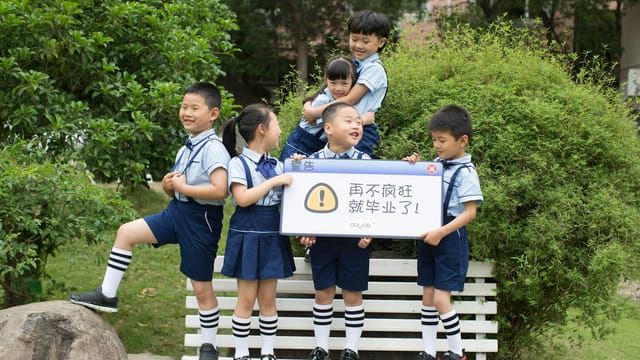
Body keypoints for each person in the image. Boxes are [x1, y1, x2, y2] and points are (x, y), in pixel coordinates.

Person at [69, 82, 229, 360]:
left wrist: (184, 188)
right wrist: (169, 185)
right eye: (183, 107)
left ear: (213, 114)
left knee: (201, 286)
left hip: (201, 219)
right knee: (126, 233)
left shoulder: (214, 148)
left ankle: (208, 346)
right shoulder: (186, 147)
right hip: (176, 212)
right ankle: (107, 294)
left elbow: (220, 190)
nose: (186, 113)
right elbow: (176, 187)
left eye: (194, 108)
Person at [403, 105, 484, 360]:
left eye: (442, 140)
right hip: (430, 235)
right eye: (434, 140)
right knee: (427, 296)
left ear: (462, 141)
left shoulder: (466, 172)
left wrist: (442, 231)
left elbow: (470, 212)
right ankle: (428, 352)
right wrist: (413, 166)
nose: (437, 145)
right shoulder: (436, 165)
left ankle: (456, 352)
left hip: (449, 237)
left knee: (440, 298)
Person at [295, 102, 372, 360]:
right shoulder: (310, 163)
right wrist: (304, 230)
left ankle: (351, 349)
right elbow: (302, 204)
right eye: (349, 121)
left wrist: (370, 230)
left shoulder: (366, 162)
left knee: (353, 293)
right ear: (328, 128)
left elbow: (375, 205)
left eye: (359, 122)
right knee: (323, 291)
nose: (356, 126)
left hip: (355, 242)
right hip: (322, 241)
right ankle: (321, 348)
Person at [220, 103, 296, 360]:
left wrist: (298, 166)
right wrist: (274, 181)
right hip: (248, 231)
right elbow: (242, 199)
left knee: (268, 299)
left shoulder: (277, 164)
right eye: (276, 124)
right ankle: (241, 353)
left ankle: (267, 352)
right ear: (262, 129)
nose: (280, 129)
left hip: (271, 231)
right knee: (246, 299)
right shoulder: (238, 163)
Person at [303, 10, 390, 158]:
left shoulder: (374, 69)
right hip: (344, 130)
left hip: (361, 131)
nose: (358, 45)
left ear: (381, 42)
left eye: (365, 41)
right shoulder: (354, 63)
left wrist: (314, 113)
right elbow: (328, 91)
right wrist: (308, 104)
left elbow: (349, 100)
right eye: (354, 39)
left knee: (354, 173)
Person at [280, 56, 374, 161]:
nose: (338, 88)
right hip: (300, 145)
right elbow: (334, 122)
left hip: (318, 146)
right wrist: (362, 120)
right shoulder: (323, 100)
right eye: (333, 83)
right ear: (326, 79)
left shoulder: (344, 100)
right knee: (291, 173)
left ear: (353, 81)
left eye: (344, 83)